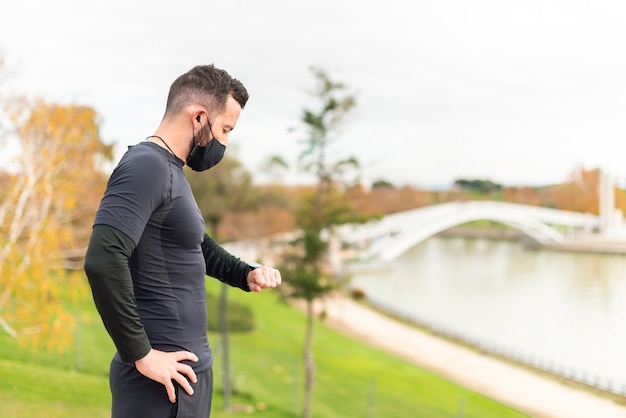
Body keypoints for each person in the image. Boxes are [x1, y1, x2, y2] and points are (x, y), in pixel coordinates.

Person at [84, 64, 281, 418]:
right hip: (158, 387)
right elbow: (103, 258)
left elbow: (195, 245)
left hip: (184, 380)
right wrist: (141, 354)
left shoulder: (169, 169)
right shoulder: (146, 166)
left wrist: (244, 273)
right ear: (199, 117)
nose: (224, 143)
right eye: (225, 129)